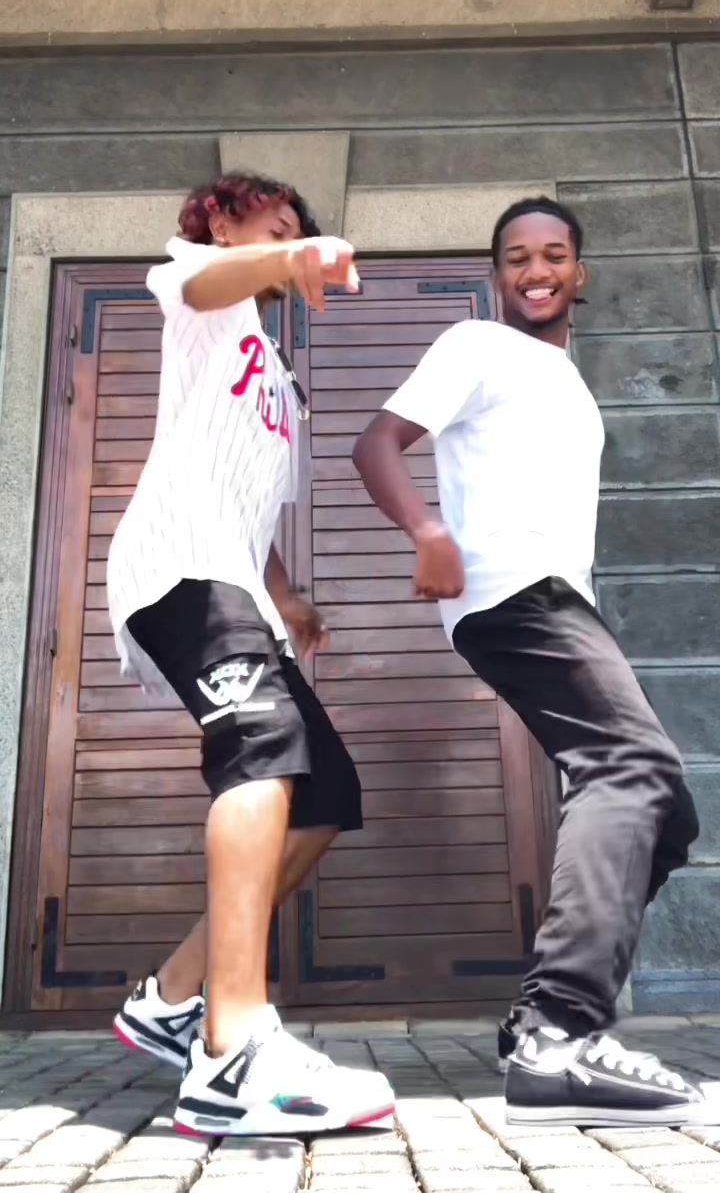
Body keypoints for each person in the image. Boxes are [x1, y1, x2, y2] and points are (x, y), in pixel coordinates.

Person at [351, 196, 704, 1127]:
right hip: (511, 590)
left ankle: (539, 1021)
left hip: (559, 598)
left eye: (554, 255)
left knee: (666, 814)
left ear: (579, 272)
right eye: (517, 256)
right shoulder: (478, 344)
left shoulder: (567, 381)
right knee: (629, 768)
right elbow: (376, 443)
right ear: (495, 272)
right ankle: (560, 1034)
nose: (536, 270)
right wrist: (428, 532)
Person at [106, 171, 394, 1137]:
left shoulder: (275, 372)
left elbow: (249, 500)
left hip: (235, 580)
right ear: (220, 222)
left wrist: (288, 595)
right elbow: (199, 283)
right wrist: (294, 254)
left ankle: (172, 996)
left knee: (324, 795)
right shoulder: (199, 287)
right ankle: (230, 1053)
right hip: (178, 567)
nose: (289, 231)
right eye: (271, 219)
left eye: (298, 226)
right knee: (263, 758)